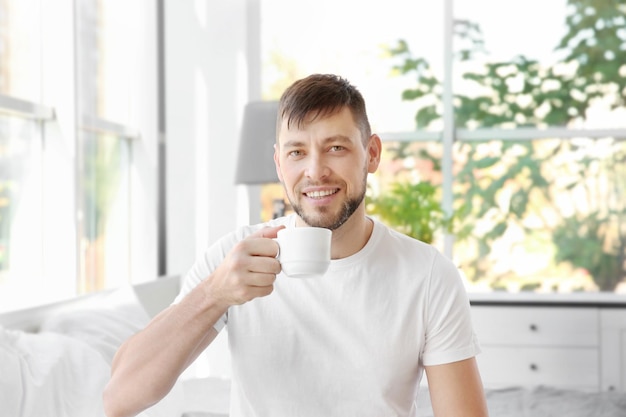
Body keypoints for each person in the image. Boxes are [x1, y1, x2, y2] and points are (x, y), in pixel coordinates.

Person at [103, 74, 489, 417]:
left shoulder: (428, 275)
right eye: (297, 152)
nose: (315, 170)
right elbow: (120, 398)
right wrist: (212, 296)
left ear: (371, 154)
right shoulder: (236, 258)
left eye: (336, 148)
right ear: (278, 164)